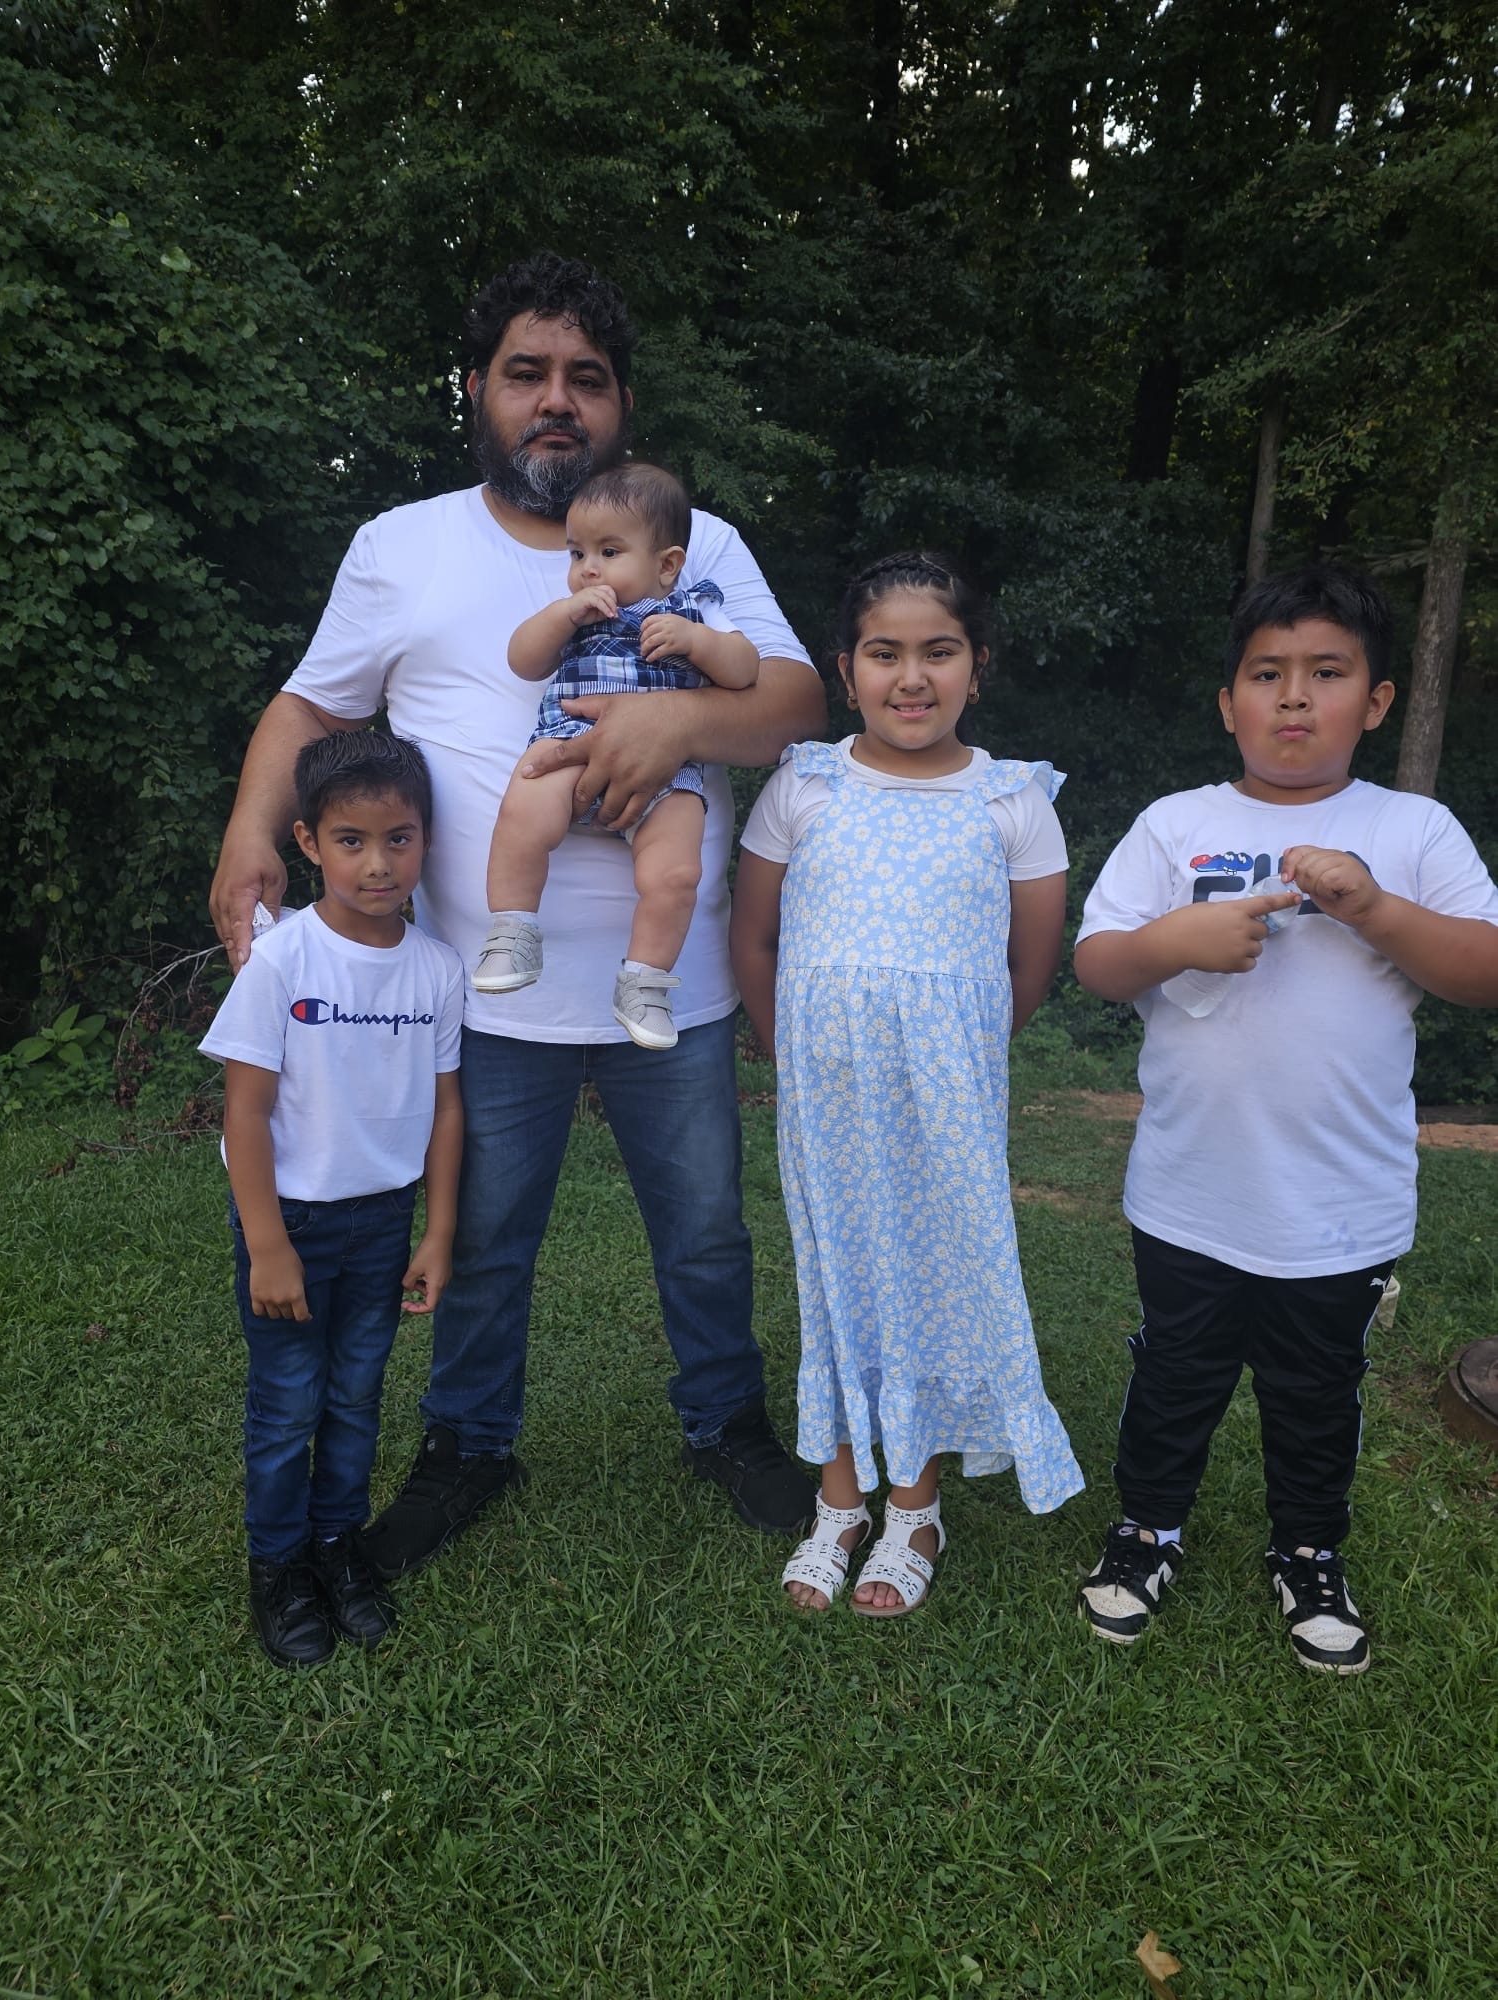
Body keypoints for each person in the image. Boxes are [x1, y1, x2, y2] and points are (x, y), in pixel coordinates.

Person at [209, 252, 822, 1578]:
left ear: (622, 402)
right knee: (484, 1239)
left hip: (674, 986)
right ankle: (469, 1444)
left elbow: (793, 704)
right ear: (478, 390)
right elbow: (312, 704)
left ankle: (727, 1424)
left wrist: (677, 723)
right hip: (482, 985)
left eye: (586, 379)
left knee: (706, 1232)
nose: (557, 400)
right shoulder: (404, 545)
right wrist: (252, 830)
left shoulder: (697, 543)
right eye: (525, 373)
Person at [1073, 563, 1498, 1675]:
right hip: (1189, 1189)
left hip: (1341, 1203)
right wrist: (1176, 940)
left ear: (1379, 699)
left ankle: (1309, 1552)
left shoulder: (1411, 827)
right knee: (1176, 1373)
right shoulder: (1177, 823)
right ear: (1229, 703)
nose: (1296, 695)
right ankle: (1146, 1531)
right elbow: (1100, 962)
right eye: (1267, 674)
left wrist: (1373, 906)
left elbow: (1484, 970)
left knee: (1316, 1391)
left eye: (1327, 672)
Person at [731, 553, 1085, 1615]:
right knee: (836, 1277)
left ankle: (915, 1503)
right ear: (847, 671)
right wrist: (796, 1053)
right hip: (826, 1102)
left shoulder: (1014, 801)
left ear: (979, 666)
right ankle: (839, 1498)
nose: (913, 676)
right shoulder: (806, 783)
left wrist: (947, 1055)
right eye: (885, 653)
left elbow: (1028, 967)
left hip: (949, 1107)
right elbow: (754, 941)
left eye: (940, 651)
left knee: (932, 1284)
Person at [200, 733, 465, 1666]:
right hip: (293, 1224)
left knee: (355, 1398)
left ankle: (336, 1547)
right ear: (308, 842)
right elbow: (245, 1109)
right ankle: (278, 1567)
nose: (378, 863)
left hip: (383, 1223)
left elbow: (444, 1108)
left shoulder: (437, 969)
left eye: (399, 839)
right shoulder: (282, 961)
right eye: (351, 840)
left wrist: (437, 1230)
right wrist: (268, 1243)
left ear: (426, 840)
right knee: (287, 1406)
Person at [476, 462, 759, 1052]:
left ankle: (645, 982)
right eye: (577, 553)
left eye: (608, 552)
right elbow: (523, 660)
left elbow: (744, 669)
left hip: (665, 771)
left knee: (676, 874)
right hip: (567, 741)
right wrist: (562, 616)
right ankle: (512, 931)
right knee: (522, 812)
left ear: (667, 565)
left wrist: (698, 642)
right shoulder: (575, 612)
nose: (588, 569)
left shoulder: (696, 610)